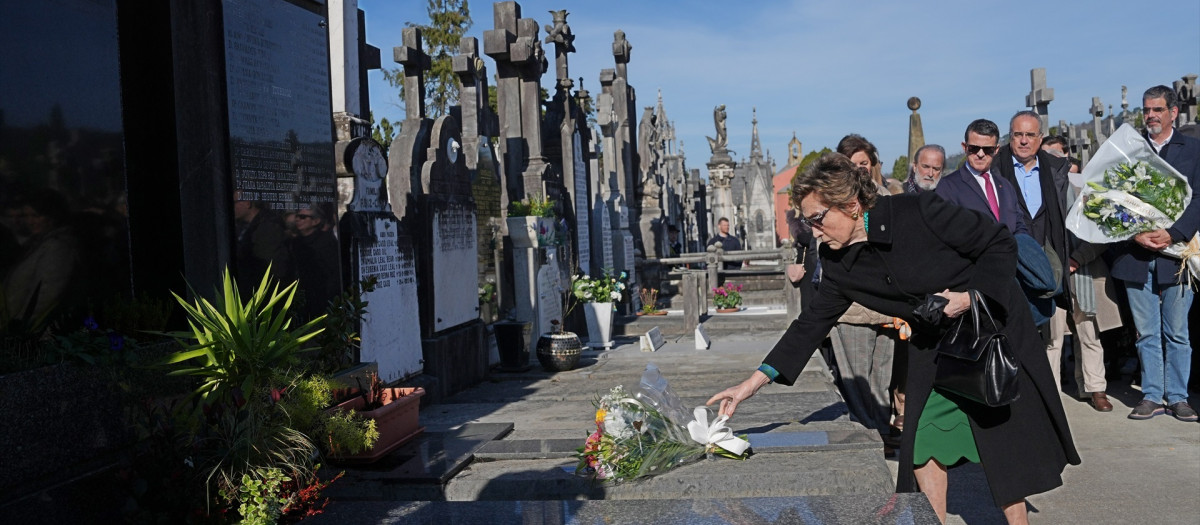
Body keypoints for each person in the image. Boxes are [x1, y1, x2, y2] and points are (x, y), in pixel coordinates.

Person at [708, 153, 1079, 524]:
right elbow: (810, 324)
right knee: (923, 442)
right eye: (808, 221)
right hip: (932, 346)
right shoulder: (837, 262)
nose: (814, 231)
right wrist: (751, 385)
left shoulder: (918, 211)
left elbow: (998, 243)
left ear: (852, 206)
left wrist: (968, 298)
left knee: (1002, 439)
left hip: (986, 329)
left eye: (818, 219)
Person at [1109, 85, 1200, 422]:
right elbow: (1112, 198)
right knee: (1146, 332)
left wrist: (1173, 233)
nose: (1151, 116)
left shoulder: (1192, 149)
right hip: (1136, 256)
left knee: (1177, 332)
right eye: (1147, 110)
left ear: (1173, 112)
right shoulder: (1130, 150)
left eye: (1158, 110)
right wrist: (1136, 233)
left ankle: (1178, 397)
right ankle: (1151, 395)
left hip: (1177, 257)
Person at [991, 111, 1072, 389]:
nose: (1024, 141)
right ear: (1010, 137)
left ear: (1040, 138)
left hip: (1047, 261)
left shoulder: (1055, 169)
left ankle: (1043, 388)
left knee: (1047, 327)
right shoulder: (995, 168)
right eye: (1018, 135)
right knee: (1012, 329)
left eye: (1030, 135)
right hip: (1009, 263)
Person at [288, 204, 341, 320]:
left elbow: (334, 273)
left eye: (303, 217)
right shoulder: (295, 242)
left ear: (316, 221)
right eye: (297, 216)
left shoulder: (326, 242)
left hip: (322, 297)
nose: (298, 219)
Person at [837, 134, 904, 195]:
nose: (858, 168)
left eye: (864, 164)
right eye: (852, 165)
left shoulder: (883, 194)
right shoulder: (831, 195)